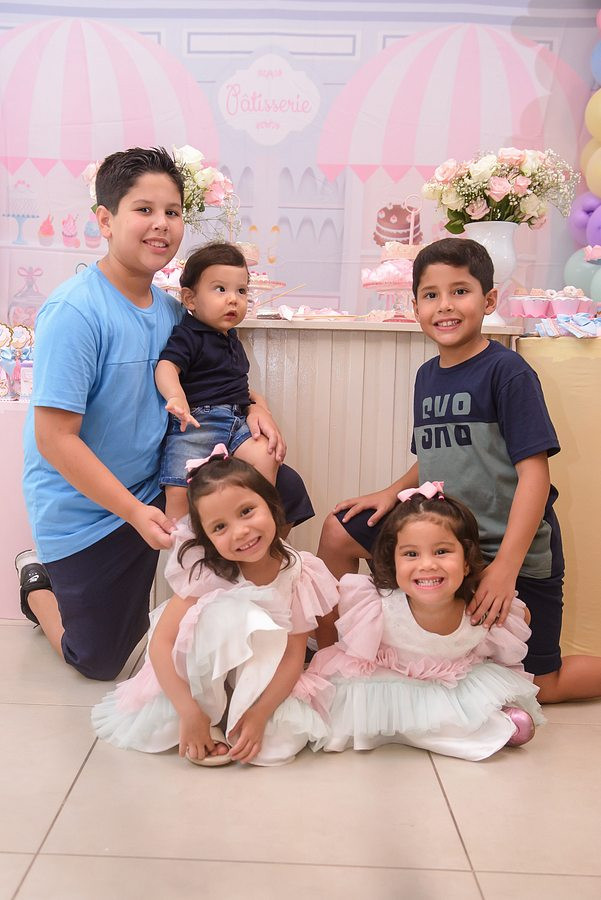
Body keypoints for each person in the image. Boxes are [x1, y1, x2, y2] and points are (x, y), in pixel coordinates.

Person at [18, 146, 313, 681]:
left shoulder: (177, 311)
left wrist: (259, 408)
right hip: (91, 508)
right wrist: (134, 513)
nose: (161, 224)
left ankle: (255, 613)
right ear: (105, 220)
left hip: (160, 483)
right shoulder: (75, 312)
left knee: (279, 485)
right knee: (100, 661)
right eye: (144, 210)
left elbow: (222, 378)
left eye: (172, 212)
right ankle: (37, 585)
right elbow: (55, 438)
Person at [318, 237, 601, 704]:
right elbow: (437, 454)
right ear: (415, 307)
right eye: (431, 295)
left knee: (539, 685)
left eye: (460, 291)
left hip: (508, 549)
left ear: (489, 300)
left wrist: (505, 567)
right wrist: (391, 491)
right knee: (338, 530)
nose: (445, 305)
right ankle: (336, 663)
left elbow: (535, 475)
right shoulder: (427, 376)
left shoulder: (508, 372)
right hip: (444, 539)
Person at [92, 448, 338, 766]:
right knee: (163, 727)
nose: (240, 532)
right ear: (206, 538)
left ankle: (241, 707)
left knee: (279, 742)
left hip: (257, 670)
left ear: (271, 504)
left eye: (247, 511)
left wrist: (260, 714)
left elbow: (293, 655)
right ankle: (207, 713)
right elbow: (162, 644)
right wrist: (188, 711)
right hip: (197, 668)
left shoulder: (297, 571)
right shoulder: (207, 571)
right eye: (219, 527)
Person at [304, 485, 543, 760]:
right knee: (341, 713)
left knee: (473, 710)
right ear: (393, 562)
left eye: (441, 551)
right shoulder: (376, 603)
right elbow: (329, 613)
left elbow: (523, 618)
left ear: (466, 562)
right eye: (411, 554)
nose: (427, 564)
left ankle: (466, 722)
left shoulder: (476, 609)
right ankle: (427, 727)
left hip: (448, 684)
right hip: (388, 683)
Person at [156, 241, 281, 522]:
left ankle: (259, 521)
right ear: (190, 299)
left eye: (241, 291)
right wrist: (176, 396)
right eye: (220, 289)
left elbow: (237, 386)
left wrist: (259, 405)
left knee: (267, 454)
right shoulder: (189, 335)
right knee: (179, 489)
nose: (233, 299)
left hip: (237, 423)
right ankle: (181, 543)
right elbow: (166, 367)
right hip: (199, 424)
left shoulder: (231, 339)